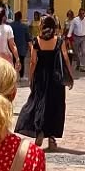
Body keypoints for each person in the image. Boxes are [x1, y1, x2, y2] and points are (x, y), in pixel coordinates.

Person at [16, 14, 73, 150]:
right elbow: (65, 58)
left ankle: (39, 130)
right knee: (55, 106)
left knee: (39, 103)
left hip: (41, 77)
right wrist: (70, 75)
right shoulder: (59, 41)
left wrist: (31, 77)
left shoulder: (37, 41)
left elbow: (33, 61)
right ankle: (52, 138)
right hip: (56, 78)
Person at [0, 5, 20, 75]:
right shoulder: (8, 28)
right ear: (4, 17)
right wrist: (17, 59)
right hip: (6, 58)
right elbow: (12, 45)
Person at [10, 10, 30, 80]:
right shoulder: (25, 27)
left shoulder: (10, 26)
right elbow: (28, 38)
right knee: (22, 62)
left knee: (12, 61)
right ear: (21, 18)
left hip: (12, 47)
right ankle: (21, 77)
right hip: (22, 48)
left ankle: (12, 76)